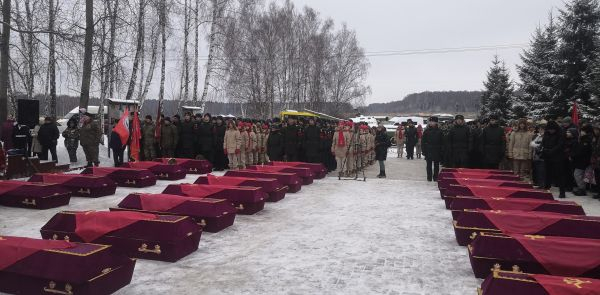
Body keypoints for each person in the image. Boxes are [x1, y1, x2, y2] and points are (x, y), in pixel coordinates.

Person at [543, 120, 566, 198]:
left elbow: (560, 145)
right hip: (547, 156)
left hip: (558, 157)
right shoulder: (546, 133)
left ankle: (562, 191)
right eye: (549, 129)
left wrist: (551, 151)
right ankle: (546, 187)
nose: (551, 131)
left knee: (559, 174)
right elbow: (544, 142)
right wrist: (544, 149)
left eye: (552, 129)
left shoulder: (560, 133)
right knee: (547, 173)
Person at [571, 125, 593, 196]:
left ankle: (582, 189)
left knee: (577, 174)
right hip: (581, 160)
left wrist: (574, 155)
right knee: (580, 175)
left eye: (582, 131)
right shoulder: (583, 139)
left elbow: (582, 151)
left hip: (583, 161)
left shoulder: (587, 140)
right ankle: (581, 188)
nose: (581, 132)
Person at [422, 116, 444, 182]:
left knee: (436, 165)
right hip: (428, 149)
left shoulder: (440, 131)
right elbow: (423, 142)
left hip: (437, 149)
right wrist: (424, 151)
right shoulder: (426, 131)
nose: (431, 123)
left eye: (433, 122)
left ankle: (436, 177)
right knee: (428, 165)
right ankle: (429, 177)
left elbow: (442, 142)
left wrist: (442, 151)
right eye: (430, 122)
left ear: (436, 123)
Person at [530, 121, 546, 188]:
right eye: (539, 129)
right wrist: (537, 145)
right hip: (536, 155)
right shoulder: (537, 136)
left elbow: (543, 146)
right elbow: (531, 144)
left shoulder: (546, 136)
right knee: (536, 170)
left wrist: (536, 145)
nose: (540, 130)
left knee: (542, 170)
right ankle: (537, 182)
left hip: (543, 156)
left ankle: (542, 184)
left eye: (542, 129)